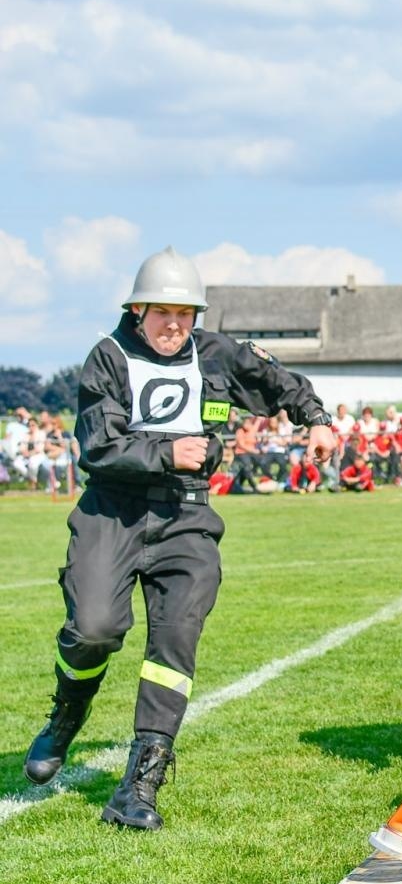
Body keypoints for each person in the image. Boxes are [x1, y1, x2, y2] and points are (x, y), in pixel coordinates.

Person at [22, 247, 338, 830]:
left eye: (185, 313)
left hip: (186, 517)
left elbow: (279, 382)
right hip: (112, 513)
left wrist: (315, 418)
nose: (174, 324)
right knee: (94, 629)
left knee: (175, 645)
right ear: (137, 309)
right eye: (162, 312)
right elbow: (97, 444)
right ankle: (66, 717)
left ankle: (140, 784)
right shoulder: (109, 358)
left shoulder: (216, 354)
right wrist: (167, 451)